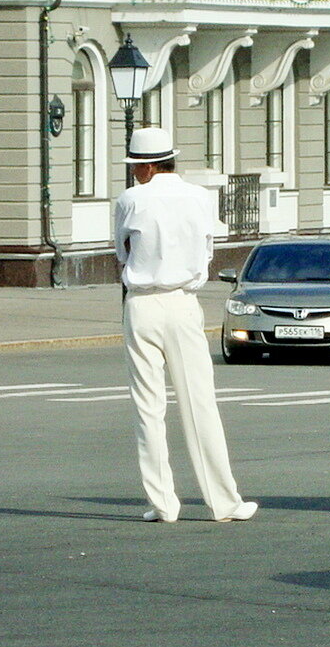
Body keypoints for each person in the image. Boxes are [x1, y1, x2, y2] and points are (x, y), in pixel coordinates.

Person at [114, 127, 257, 524]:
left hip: (142, 303)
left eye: (135, 168)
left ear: (146, 168)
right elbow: (207, 252)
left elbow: (121, 254)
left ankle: (163, 504)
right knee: (199, 403)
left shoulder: (130, 199)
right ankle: (224, 503)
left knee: (148, 407)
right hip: (183, 301)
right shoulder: (198, 196)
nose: (134, 174)